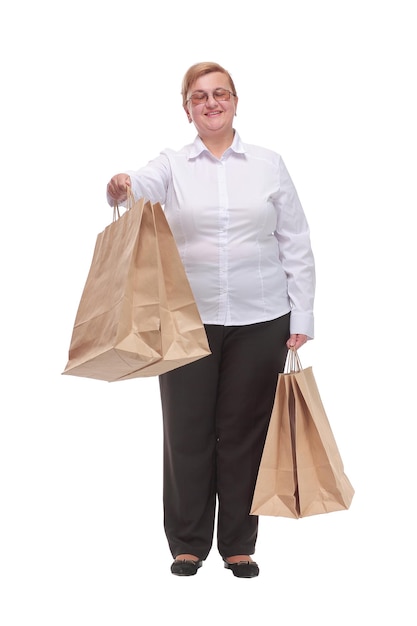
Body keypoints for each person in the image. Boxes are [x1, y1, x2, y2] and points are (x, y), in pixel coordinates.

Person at [106, 61, 315, 578]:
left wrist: (303, 312)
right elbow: (139, 188)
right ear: (187, 109)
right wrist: (121, 186)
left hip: (262, 315)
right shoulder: (172, 164)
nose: (211, 103)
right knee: (186, 430)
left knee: (244, 430)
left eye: (220, 93)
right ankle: (188, 542)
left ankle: (239, 543)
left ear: (236, 101)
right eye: (199, 97)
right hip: (185, 318)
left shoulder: (269, 164)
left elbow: (295, 240)